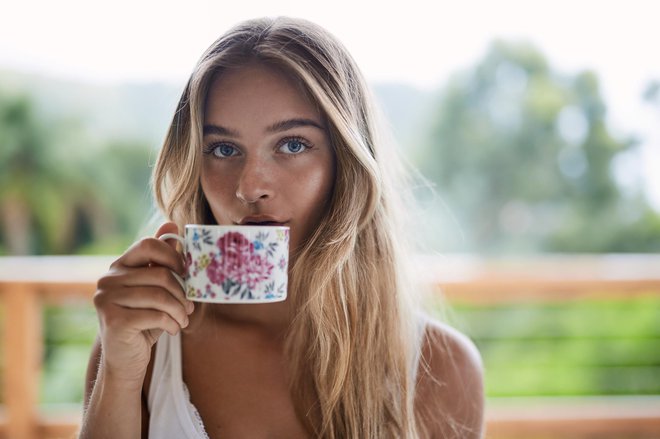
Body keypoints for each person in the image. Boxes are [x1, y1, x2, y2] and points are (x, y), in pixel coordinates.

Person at [80, 16, 484, 438]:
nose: (250, 186)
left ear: (346, 165)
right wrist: (120, 373)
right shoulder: (145, 341)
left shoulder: (442, 369)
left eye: (292, 145)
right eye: (222, 148)